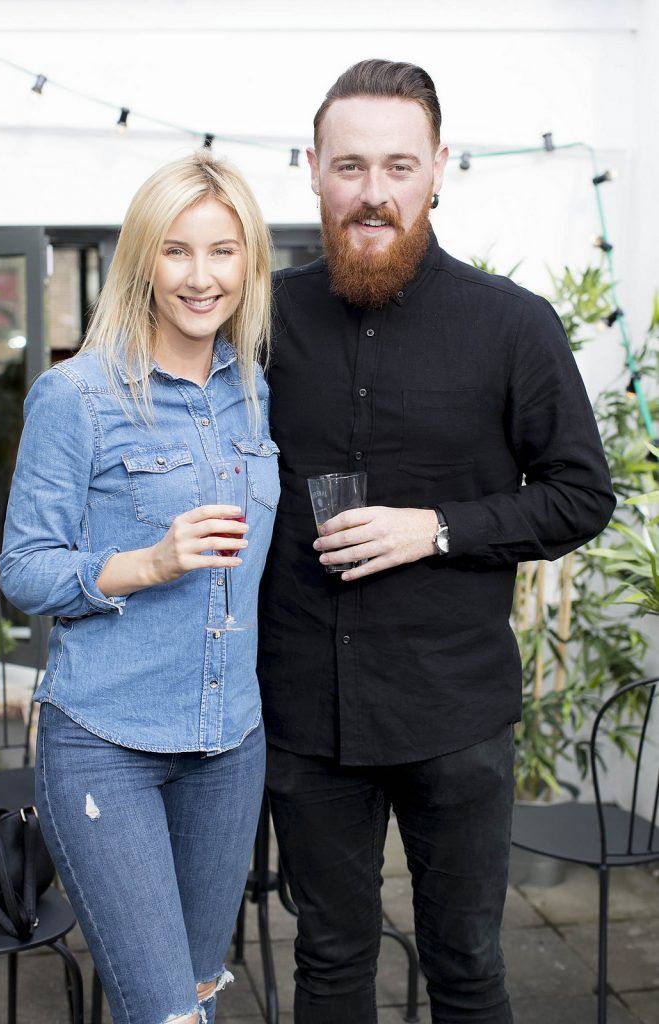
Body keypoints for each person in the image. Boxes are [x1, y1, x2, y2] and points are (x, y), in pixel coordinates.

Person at [258, 59, 615, 1023]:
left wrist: (440, 527)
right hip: (303, 712)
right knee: (327, 961)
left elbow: (582, 495)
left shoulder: (513, 326)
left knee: (465, 963)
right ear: (313, 167)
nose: (374, 192)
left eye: (398, 166)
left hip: (455, 715)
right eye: (350, 166)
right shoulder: (261, 319)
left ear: (438, 168)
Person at [0, 151, 278, 1024]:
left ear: (249, 263)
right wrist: (147, 562)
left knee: (194, 993)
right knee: (164, 1014)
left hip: (228, 743)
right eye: (177, 251)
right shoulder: (74, 395)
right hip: (106, 743)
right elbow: (23, 571)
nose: (202, 277)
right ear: (141, 261)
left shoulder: (252, 391)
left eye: (223, 251)